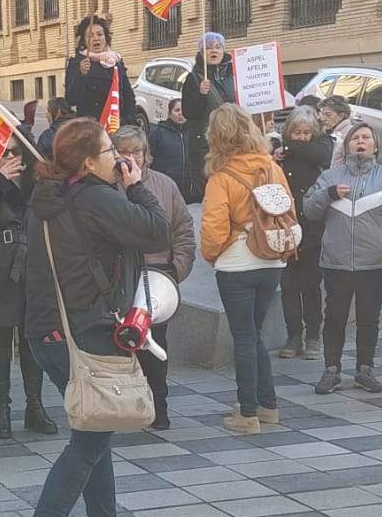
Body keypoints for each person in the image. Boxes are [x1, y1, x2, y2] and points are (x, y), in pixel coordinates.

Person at [12, 118, 169, 517]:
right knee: (90, 440)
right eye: (108, 151)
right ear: (86, 161)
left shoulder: (46, 201)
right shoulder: (98, 199)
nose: (118, 158)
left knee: (96, 428)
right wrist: (137, 187)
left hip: (46, 334)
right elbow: (157, 232)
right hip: (85, 334)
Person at [304, 121, 382, 395]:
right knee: (334, 317)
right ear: (347, 144)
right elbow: (309, 210)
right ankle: (331, 370)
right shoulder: (331, 176)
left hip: (374, 262)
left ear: (375, 145)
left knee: (369, 318)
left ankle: (365, 369)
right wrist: (328, 195)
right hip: (336, 261)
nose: (360, 141)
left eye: (366, 137)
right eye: (355, 138)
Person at [201, 104, 294, 434]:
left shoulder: (222, 176)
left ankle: (248, 413)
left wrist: (213, 255)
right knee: (253, 334)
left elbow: (213, 227)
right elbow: (288, 207)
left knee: (243, 337)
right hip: (272, 259)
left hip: (237, 263)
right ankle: (268, 406)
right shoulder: (271, 166)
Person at [0, 144, 56, 439]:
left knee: (33, 336)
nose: (11, 158)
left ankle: (35, 405)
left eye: (15, 151)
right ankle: (1, 408)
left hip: (32, 263)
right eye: (4, 153)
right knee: (0, 337)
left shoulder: (37, 178)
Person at [113, 125, 196, 430]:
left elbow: (184, 230)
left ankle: (158, 408)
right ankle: (125, 407)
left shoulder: (165, 185)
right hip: (119, 280)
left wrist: (176, 268)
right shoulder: (107, 187)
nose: (131, 157)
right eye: (124, 151)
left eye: (136, 151)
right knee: (121, 345)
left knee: (154, 346)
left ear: (146, 154)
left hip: (158, 277)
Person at [273, 106, 330, 361]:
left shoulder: (317, 151)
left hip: (312, 229)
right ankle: (293, 334)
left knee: (311, 285)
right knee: (288, 285)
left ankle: (313, 335)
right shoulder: (281, 159)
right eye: (296, 132)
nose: (301, 137)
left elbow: (318, 153)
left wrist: (288, 146)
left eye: (306, 132)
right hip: (285, 228)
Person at [64, 14, 140, 129]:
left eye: (100, 34)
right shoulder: (77, 63)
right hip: (90, 129)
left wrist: (131, 122)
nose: (96, 38)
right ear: (84, 41)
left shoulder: (115, 62)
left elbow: (128, 96)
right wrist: (82, 75)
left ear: (106, 38)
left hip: (115, 126)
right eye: (90, 36)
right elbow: (71, 99)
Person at [179, 32, 232, 197]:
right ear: (201, 53)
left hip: (230, 142)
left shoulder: (231, 75)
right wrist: (200, 94)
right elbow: (188, 112)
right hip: (205, 145)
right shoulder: (193, 78)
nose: (213, 51)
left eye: (217, 47)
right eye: (208, 48)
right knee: (210, 191)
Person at [149, 98, 189, 193]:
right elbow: (148, 159)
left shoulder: (194, 133)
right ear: (170, 113)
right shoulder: (158, 132)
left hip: (189, 192)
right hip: (164, 187)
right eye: (177, 110)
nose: (180, 113)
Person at [316, 95, 354, 163]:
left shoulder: (348, 135)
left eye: (328, 114)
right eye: (323, 114)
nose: (323, 119)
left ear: (341, 116)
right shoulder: (332, 130)